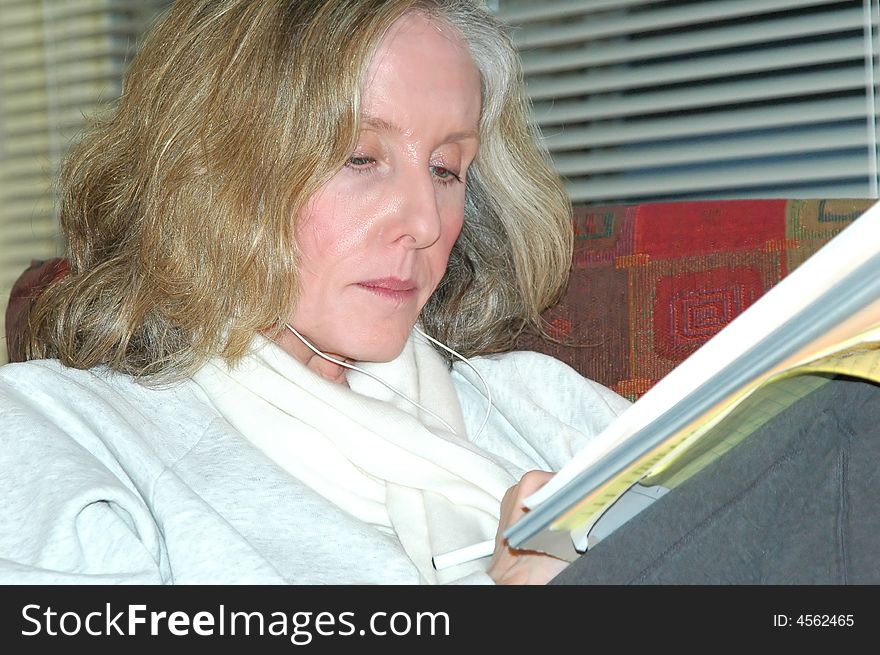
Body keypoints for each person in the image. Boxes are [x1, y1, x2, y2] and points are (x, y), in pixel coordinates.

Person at [3, 0, 879, 586]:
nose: (425, 219)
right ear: (214, 170)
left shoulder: (538, 403)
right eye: (359, 157)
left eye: (449, 169)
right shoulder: (65, 432)